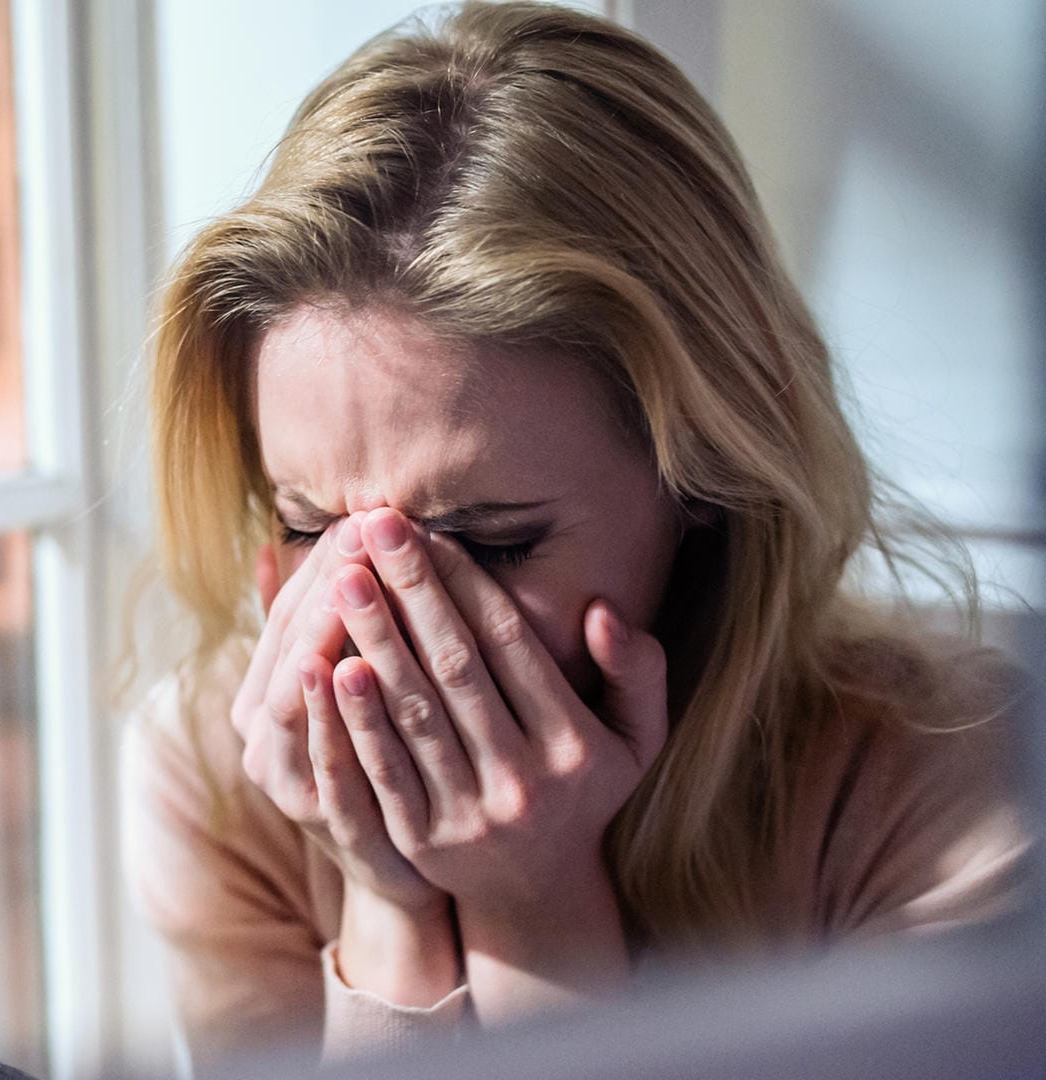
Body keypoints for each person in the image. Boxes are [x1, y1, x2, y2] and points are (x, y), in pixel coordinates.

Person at [120, 1, 1034, 1074]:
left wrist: (537, 912)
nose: (371, 626)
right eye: (309, 523)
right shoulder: (219, 775)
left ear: (707, 475)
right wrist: (387, 910)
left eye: (491, 541)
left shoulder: (946, 793)